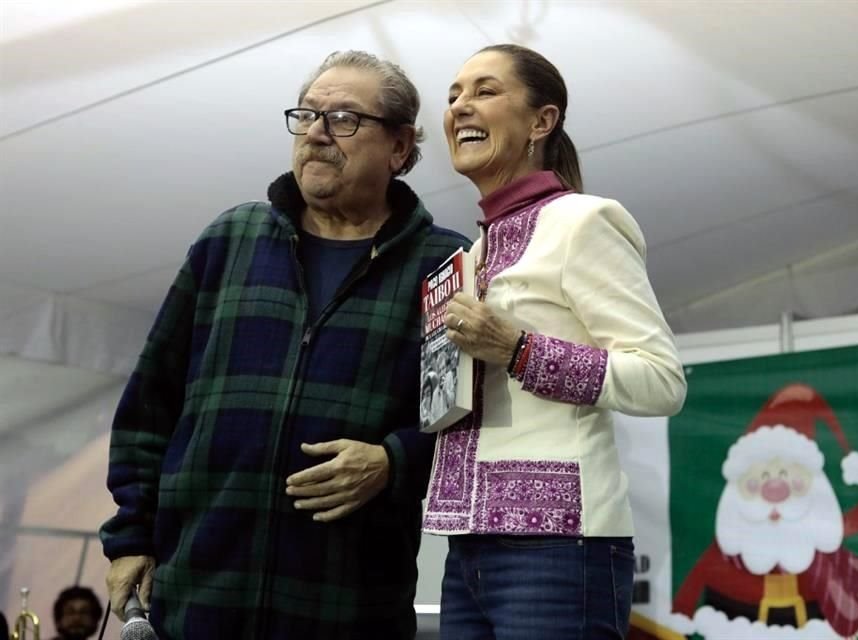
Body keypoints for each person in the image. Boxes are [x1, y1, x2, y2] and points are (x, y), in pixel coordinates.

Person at [99, 50, 470, 640]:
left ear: (399, 148)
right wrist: (130, 538)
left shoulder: (445, 266)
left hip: (347, 605)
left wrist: (391, 461)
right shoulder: (229, 240)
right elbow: (150, 404)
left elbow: (463, 426)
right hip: (198, 596)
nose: (318, 134)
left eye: (345, 118)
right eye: (307, 115)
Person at [422, 44, 688, 639]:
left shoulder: (582, 222)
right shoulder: (467, 258)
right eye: (453, 95)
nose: (461, 105)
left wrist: (520, 349)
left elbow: (661, 380)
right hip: (466, 544)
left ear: (542, 121)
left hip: (560, 542)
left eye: (485, 91)